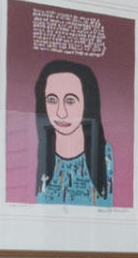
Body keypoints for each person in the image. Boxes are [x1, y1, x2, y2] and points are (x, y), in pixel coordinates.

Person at [32, 57, 115, 207]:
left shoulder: (105, 155)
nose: (60, 112)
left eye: (70, 101)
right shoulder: (36, 154)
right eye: (52, 100)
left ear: (87, 103)